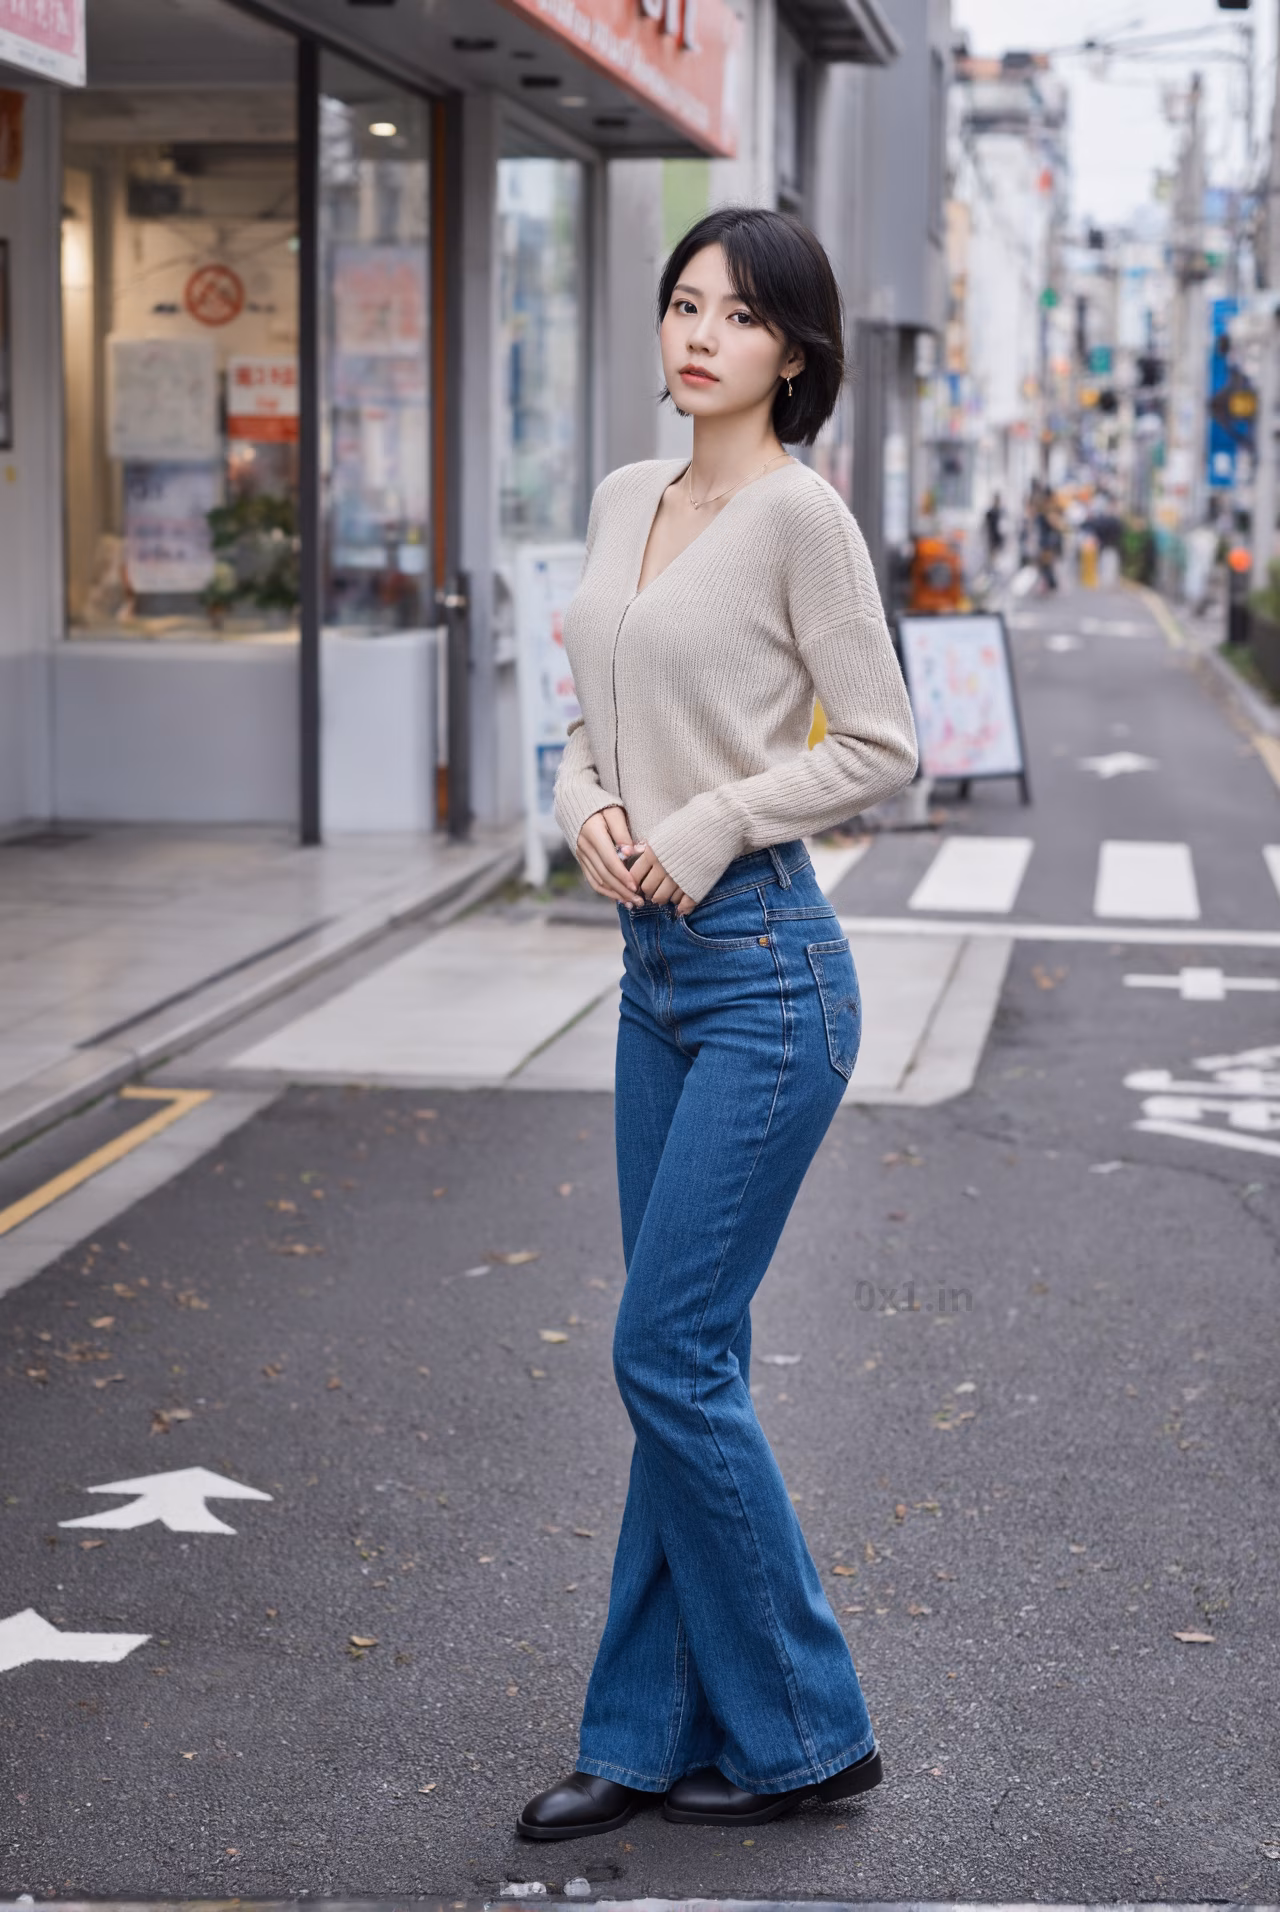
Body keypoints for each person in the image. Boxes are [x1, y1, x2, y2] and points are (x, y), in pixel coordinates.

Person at [516, 207, 918, 1843]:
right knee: (687, 1367)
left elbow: (881, 744)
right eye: (683, 304)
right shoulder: (627, 499)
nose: (698, 335)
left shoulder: (800, 519)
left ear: (793, 355)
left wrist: (700, 829)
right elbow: (590, 712)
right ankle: (643, 1733)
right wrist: (586, 804)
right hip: (652, 979)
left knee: (664, 1354)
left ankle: (812, 1731)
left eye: (737, 317)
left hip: (766, 977)